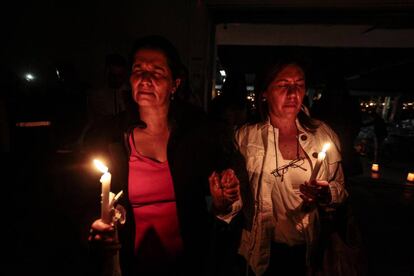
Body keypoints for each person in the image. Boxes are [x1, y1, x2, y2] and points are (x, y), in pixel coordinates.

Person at [87, 35, 243, 276]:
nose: (146, 79)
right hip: (132, 264)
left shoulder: (199, 133)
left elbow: (220, 203)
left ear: (175, 83)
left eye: (157, 72)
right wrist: (104, 222)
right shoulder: (111, 137)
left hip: (190, 263)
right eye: (138, 69)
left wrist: (222, 200)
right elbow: (93, 200)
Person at [226, 60, 348, 275]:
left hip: (309, 247)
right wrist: (223, 201)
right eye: (283, 85)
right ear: (264, 92)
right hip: (262, 249)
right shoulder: (245, 137)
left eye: (299, 85)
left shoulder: (322, 134)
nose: (293, 93)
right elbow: (237, 198)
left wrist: (326, 193)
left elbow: (339, 189)